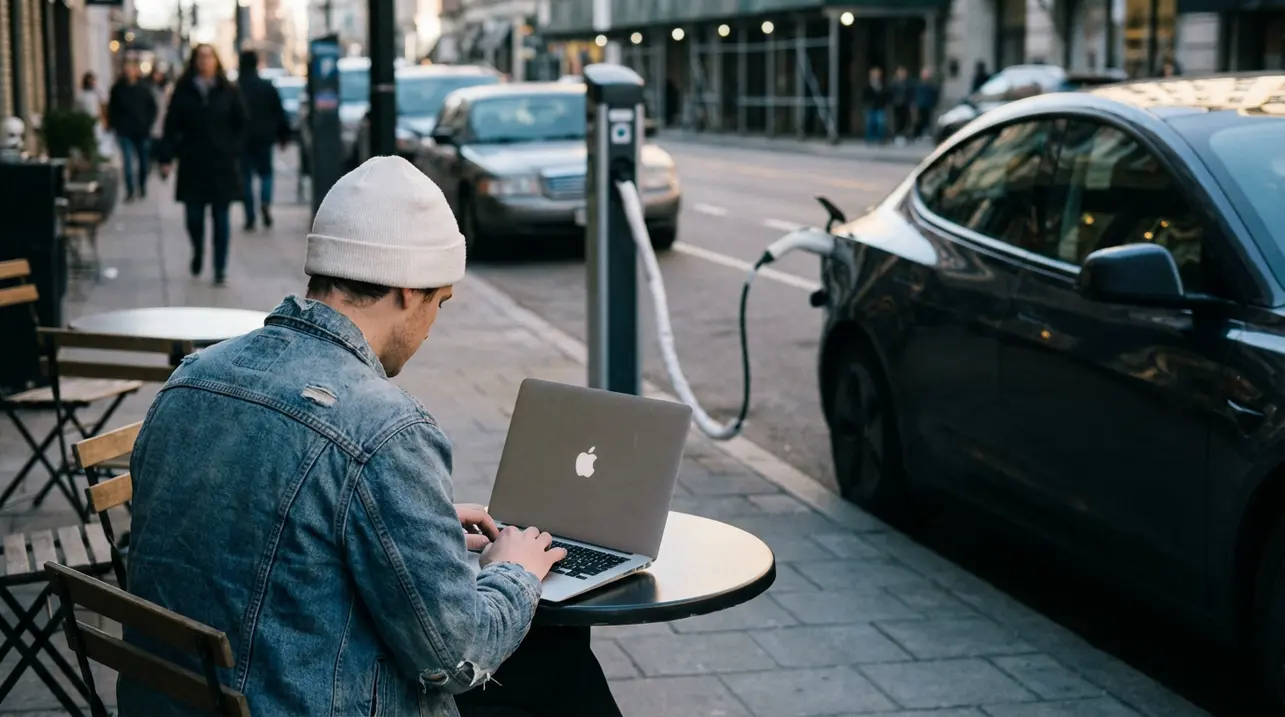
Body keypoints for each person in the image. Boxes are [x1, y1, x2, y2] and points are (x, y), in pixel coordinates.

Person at [118, 155, 624, 717]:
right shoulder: (384, 429)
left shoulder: (192, 378)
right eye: (440, 302)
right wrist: (516, 569)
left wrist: (398, 523)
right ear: (409, 290)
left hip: (184, 698)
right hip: (302, 700)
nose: (433, 326)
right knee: (560, 657)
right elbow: (458, 656)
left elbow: (239, 532)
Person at [156, 44, 248, 287]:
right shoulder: (184, 91)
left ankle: (220, 268)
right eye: (200, 57)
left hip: (221, 164)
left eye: (208, 56)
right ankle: (197, 250)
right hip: (192, 162)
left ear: (216, 61)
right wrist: (165, 158)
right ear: (194, 61)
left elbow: (242, 123)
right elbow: (171, 126)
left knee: (221, 218)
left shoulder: (228, 90)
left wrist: (233, 149)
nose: (204, 61)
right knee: (194, 216)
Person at [236, 50, 290, 231]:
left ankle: (250, 215)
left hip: (242, 139)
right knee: (266, 173)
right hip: (264, 137)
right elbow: (279, 112)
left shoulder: (236, 88)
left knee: (246, 177)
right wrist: (283, 136)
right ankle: (265, 202)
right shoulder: (266, 87)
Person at [107, 59, 158, 202]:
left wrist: (148, 124)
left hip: (142, 131)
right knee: (128, 162)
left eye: (131, 68)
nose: (128, 71)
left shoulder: (144, 88)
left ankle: (142, 186)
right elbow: (112, 109)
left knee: (143, 163)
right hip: (124, 131)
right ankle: (130, 190)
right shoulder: (117, 89)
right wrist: (114, 125)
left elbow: (152, 108)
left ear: (136, 71)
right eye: (126, 68)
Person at [148, 66, 171, 177]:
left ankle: (163, 165)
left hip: (165, 121)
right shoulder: (150, 89)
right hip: (154, 122)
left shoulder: (167, 89)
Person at [863, 67, 889, 144]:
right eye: (874, 74)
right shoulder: (867, 85)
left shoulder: (883, 85)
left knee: (881, 124)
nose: (876, 76)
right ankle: (870, 139)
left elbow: (886, 95)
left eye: (877, 74)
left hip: (880, 107)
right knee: (870, 124)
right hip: (870, 107)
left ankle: (880, 139)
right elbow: (865, 96)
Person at [913, 67, 940, 140]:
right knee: (918, 120)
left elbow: (935, 95)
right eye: (924, 74)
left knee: (927, 120)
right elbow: (914, 94)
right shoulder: (917, 84)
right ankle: (918, 134)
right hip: (919, 105)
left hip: (928, 105)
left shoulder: (932, 84)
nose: (925, 76)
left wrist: (934, 103)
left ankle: (926, 133)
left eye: (926, 74)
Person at [888, 66, 913, 145]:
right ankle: (896, 135)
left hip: (905, 104)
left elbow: (910, 93)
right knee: (897, 120)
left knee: (905, 120)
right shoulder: (894, 82)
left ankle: (903, 135)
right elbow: (890, 93)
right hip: (896, 104)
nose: (902, 74)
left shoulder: (908, 82)